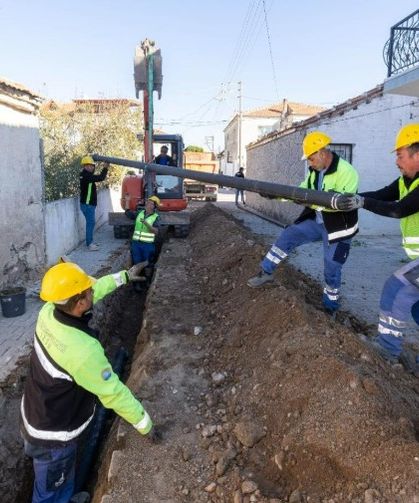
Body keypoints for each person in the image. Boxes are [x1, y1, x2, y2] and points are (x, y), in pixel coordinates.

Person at [20, 261, 160, 503]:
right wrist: (144, 424)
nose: (93, 291)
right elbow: (113, 392)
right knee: (49, 494)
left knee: (59, 479)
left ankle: (67, 494)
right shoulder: (82, 351)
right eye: (89, 292)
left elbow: (95, 287)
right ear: (81, 304)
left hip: (37, 412)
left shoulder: (48, 313)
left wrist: (124, 277)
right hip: (53, 436)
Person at [336, 124, 419, 374]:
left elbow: (399, 209)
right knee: (416, 307)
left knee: (397, 288)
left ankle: (387, 349)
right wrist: (352, 198)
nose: (397, 161)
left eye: (400, 155)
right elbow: (384, 195)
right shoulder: (407, 180)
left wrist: (363, 202)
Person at [247, 131, 359, 315]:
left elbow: (338, 205)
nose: (310, 163)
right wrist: (276, 194)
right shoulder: (315, 172)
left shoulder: (347, 172)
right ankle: (266, 272)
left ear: (322, 153)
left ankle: (330, 308)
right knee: (289, 234)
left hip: (339, 228)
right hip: (318, 221)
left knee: (331, 267)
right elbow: (301, 191)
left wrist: (307, 201)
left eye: (311, 158)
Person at [79, 156, 109, 251]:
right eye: (89, 166)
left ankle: (90, 241)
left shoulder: (85, 175)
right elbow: (101, 177)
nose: (92, 167)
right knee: (90, 223)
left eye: (92, 165)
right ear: (85, 166)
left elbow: (95, 176)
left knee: (90, 223)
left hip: (87, 205)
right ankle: (90, 244)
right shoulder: (86, 176)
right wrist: (105, 168)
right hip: (87, 205)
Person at [126, 196, 161, 265]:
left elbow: (156, 232)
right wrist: (127, 201)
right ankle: (136, 275)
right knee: (136, 263)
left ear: (154, 206)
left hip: (148, 245)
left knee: (148, 263)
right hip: (136, 244)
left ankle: (148, 275)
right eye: (147, 202)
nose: (147, 204)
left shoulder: (156, 217)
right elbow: (128, 213)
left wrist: (146, 224)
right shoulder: (140, 213)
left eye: (150, 203)